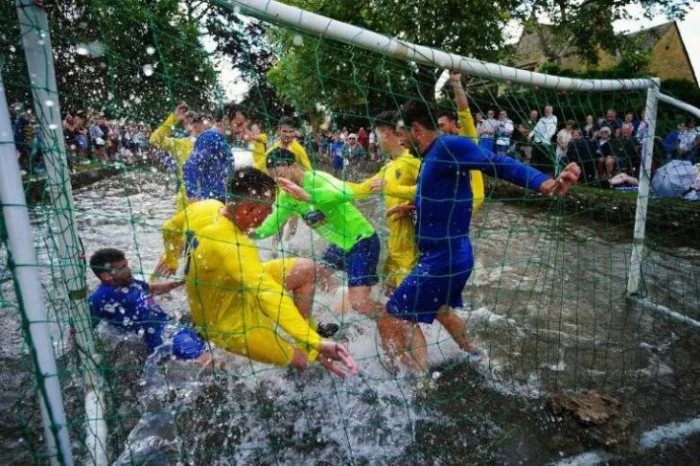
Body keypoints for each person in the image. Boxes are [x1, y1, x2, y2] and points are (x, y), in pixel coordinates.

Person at [384, 99, 580, 371]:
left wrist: (545, 184)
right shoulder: (430, 157)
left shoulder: (448, 146)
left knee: (393, 316)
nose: (400, 141)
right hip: (448, 256)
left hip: (443, 260)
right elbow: (447, 194)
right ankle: (475, 355)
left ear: (416, 129)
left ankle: (413, 381)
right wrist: (414, 205)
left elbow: (497, 162)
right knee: (439, 310)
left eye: (401, 133)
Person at [155, 167, 357, 377]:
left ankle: (307, 336)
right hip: (227, 325)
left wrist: (171, 259)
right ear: (249, 208)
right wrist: (313, 341)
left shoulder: (206, 207)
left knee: (306, 270)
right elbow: (268, 293)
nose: (270, 214)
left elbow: (169, 227)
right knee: (302, 361)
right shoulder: (233, 245)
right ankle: (310, 345)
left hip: (235, 288)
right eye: (268, 209)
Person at [252, 149, 382, 324]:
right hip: (339, 245)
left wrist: (308, 196)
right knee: (316, 273)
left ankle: (389, 316)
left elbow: (347, 192)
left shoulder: (317, 178)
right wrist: (247, 230)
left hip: (361, 240)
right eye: (275, 179)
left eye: (281, 176)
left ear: (294, 166)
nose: (280, 182)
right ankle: (344, 303)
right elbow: (270, 226)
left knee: (360, 304)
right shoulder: (286, 196)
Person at [88, 248, 210, 364]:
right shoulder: (101, 297)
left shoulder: (130, 282)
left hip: (172, 327)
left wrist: (181, 283)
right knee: (207, 360)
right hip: (160, 337)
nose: (128, 269)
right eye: (122, 268)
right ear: (106, 276)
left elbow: (151, 289)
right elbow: (84, 325)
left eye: (126, 265)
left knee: (210, 347)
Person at [347, 110, 420, 293]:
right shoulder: (389, 167)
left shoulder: (413, 160)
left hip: (412, 251)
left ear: (386, 133)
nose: (377, 141)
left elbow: (432, 191)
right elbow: (360, 190)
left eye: (377, 135)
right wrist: (320, 184)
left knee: (408, 304)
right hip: (395, 248)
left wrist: (402, 198)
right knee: (387, 297)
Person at [435, 71, 485, 213]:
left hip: (471, 197)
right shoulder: (443, 144)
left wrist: (456, 82)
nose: (441, 129)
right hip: (453, 197)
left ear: (453, 123)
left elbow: (463, 109)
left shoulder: (467, 135)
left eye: (442, 125)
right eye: (438, 126)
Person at [150, 104, 207, 212]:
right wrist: (173, 119)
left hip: (208, 198)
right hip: (186, 200)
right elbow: (154, 140)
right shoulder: (180, 143)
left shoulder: (214, 144)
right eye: (188, 122)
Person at [182, 109, 234, 203]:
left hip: (219, 197)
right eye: (239, 124)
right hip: (213, 198)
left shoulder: (219, 138)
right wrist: (192, 196)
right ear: (226, 120)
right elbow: (190, 165)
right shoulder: (210, 136)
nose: (242, 129)